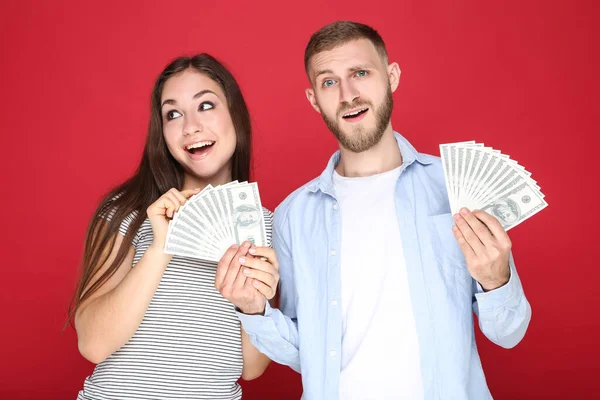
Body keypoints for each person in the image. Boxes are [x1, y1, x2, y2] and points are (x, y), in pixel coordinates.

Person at [218, 21, 532, 399]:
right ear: (314, 98)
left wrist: (496, 279)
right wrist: (255, 311)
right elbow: (309, 354)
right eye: (329, 82)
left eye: (360, 73)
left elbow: (509, 332)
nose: (348, 94)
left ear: (392, 76)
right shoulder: (292, 216)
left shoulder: (454, 189)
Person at [69, 54, 279, 400]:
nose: (190, 127)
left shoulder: (266, 227)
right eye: (173, 114)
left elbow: (251, 368)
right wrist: (160, 247)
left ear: (236, 117)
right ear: (162, 133)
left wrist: (252, 306)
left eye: (206, 105)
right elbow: (92, 344)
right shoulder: (127, 212)